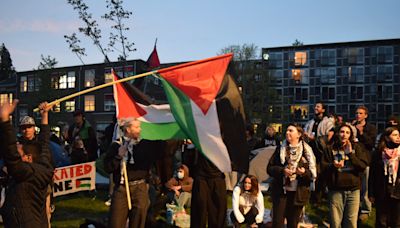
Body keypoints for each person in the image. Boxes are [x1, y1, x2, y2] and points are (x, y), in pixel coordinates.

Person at [0, 100, 54, 228]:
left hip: (24, 220)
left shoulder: (24, 171)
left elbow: (11, 155)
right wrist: (45, 115)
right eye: (23, 128)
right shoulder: (42, 164)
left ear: (28, 157)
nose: (26, 130)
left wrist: (5, 120)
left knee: (45, 211)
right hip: (33, 214)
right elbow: (45, 144)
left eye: (29, 127)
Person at [104, 117, 165, 228]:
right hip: (121, 188)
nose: (139, 129)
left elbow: (159, 152)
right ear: (128, 129)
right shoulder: (117, 145)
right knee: (116, 222)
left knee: (138, 221)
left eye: (139, 127)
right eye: (136, 127)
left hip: (139, 188)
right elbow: (108, 167)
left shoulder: (144, 145)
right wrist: (118, 156)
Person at [267, 123, 317, 228]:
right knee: (277, 223)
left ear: (298, 134)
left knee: (293, 223)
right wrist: (282, 171)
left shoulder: (306, 150)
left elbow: (312, 174)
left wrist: (303, 173)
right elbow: (270, 168)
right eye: (287, 130)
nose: (287, 132)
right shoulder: (280, 149)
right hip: (282, 192)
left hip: (298, 193)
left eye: (291, 130)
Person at [321, 123, 369, 228]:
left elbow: (362, 166)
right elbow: (323, 168)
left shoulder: (357, 147)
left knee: (351, 222)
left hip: (353, 189)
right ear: (338, 133)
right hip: (336, 189)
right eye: (342, 132)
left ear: (351, 135)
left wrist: (350, 154)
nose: (344, 135)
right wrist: (333, 166)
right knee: (335, 222)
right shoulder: (329, 149)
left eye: (347, 132)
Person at [369, 127, 400, 227]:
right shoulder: (378, 154)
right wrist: (371, 193)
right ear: (386, 137)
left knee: (396, 220)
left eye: (399, 135)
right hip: (382, 190)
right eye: (394, 135)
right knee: (382, 220)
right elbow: (372, 174)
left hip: (397, 189)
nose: (398, 137)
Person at [351, 105, 377, 221]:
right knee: (355, 185)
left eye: (361, 113)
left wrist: (361, 133)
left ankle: (366, 210)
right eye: (357, 113)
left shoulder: (370, 128)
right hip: (353, 159)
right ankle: (354, 208)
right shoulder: (352, 127)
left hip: (365, 160)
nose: (358, 115)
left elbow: (371, 144)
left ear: (365, 115)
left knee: (365, 186)